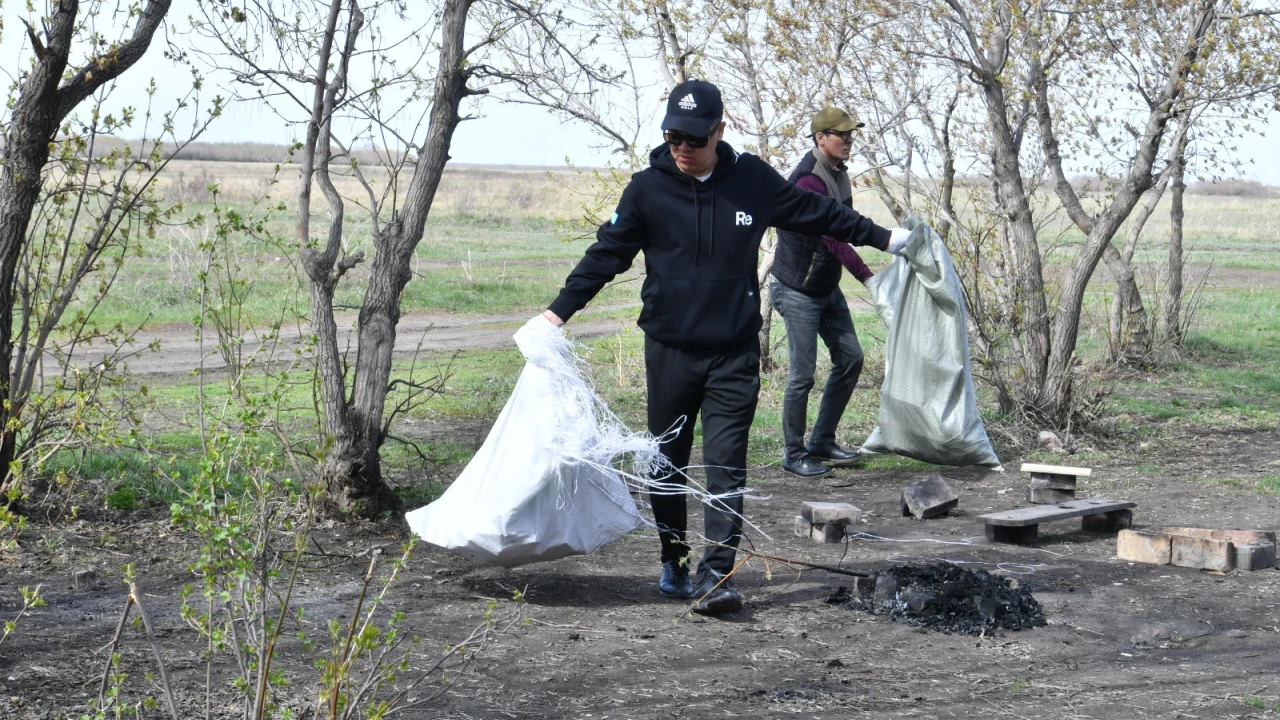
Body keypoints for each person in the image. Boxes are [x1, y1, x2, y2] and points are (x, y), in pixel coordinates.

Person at [541, 80, 908, 616]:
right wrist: (557, 314)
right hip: (669, 350)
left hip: (734, 353)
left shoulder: (751, 180)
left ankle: (718, 575)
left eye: (693, 138)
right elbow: (606, 255)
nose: (682, 149)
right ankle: (673, 558)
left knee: (726, 465)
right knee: (666, 461)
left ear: (719, 130)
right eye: (672, 137)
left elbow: (820, 214)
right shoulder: (647, 190)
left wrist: (884, 237)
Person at [769, 106, 879, 479]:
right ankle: (794, 453)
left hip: (824, 287)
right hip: (797, 289)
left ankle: (822, 442)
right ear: (820, 138)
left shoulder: (839, 174)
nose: (849, 140)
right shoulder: (807, 180)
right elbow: (832, 236)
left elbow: (845, 227)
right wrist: (868, 276)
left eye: (851, 134)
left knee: (850, 358)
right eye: (842, 134)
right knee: (802, 375)